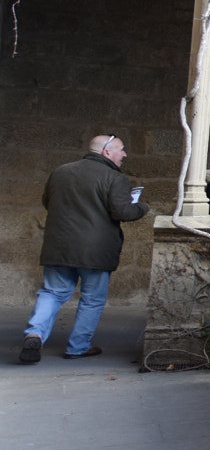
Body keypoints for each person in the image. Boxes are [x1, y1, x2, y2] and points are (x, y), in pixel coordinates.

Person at [20, 135, 150, 363]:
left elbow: (47, 201)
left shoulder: (60, 171)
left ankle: (34, 334)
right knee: (92, 299)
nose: (125, 154)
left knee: (52, 292)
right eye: (122, 150)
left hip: (58, 245)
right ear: (107, 152)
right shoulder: (115, 178)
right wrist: (141, 207)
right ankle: (77, 347)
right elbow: (123, 212)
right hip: (96, 250)